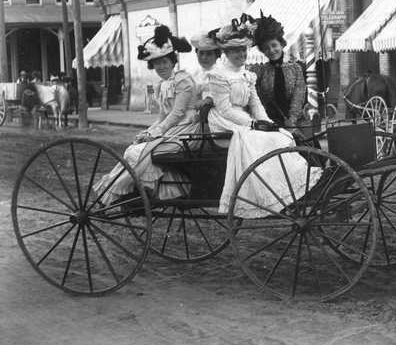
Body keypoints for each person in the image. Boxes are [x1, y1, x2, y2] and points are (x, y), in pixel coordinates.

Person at [204, 17, 320, 218]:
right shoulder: (228, 74)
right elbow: (226, 109)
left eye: (243, 50)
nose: (241, 54)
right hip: (228, 121)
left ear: (282, 45)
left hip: (285, 118)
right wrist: (256, 123)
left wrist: (270, 122)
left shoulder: (256, 73)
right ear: (226, 52)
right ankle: (273, 192)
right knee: (271, 140)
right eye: (235, 50)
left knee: (290, 138)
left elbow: (259, 103)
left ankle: (295, 186)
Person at [94, 26, 197, 203]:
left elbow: (177, 114)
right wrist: (149, 131)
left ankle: (134, 190)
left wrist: (156, 133)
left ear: (173, 61)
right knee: (133, 149)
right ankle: (123, 190)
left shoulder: (183, 81)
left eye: (165, 62)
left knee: (139, 153)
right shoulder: (162, 85)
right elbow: (163, 116)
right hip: (172, 128)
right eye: (157, 64)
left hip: (187, 129)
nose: (161, 67)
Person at [248, 12, 306, 131]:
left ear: (282, 44)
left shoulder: (296, 69)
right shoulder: (260, 71)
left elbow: (298, 96)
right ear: (263, 51)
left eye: (274, 45)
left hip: (295, 123)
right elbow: (257, 99)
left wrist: (292, 120)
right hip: (270, 124)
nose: (271, 50)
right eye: (266, 48)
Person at [190, 30, 222, 112]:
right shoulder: (195, 74)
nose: (204, 58)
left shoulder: (221, 73)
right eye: (201, 53)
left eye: (209, 54)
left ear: (216, 55)